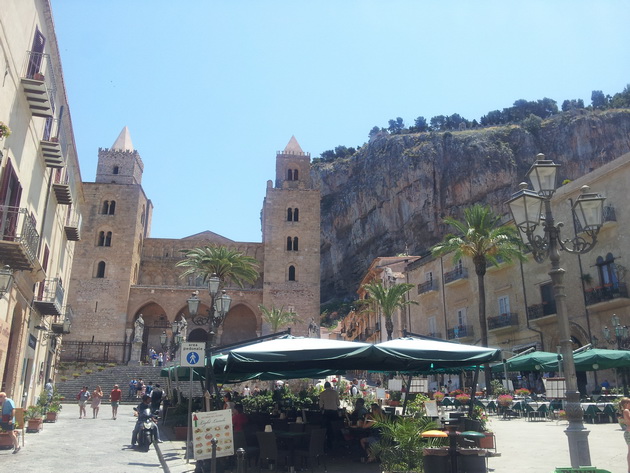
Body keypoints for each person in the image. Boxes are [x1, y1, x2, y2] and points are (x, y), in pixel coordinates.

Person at [319, 381, 340, 449]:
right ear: (330, 386)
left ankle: (327, 443)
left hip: (326, 413)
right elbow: (338, 403)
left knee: (327, 429)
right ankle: (335, 443)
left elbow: (320, 405)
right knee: (334, 428)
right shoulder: (335, 392)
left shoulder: (322, 393)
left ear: (325, 386)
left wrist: (322, 409)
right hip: (334, 413)